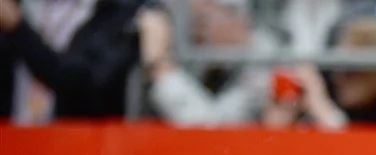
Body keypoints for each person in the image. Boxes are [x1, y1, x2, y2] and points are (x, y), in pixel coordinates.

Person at [135, 0, 278, 127]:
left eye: (202, 22)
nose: (196, 32)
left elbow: (218, 131)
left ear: (236, 16)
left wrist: (163, 71)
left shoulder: (268, 57)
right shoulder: (209, 59)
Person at [0, 0, 140, 121]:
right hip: (11, 129)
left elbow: (77, 82)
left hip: (72, 133)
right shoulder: (24, 5)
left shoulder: (112, 12)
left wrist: (16, 27)